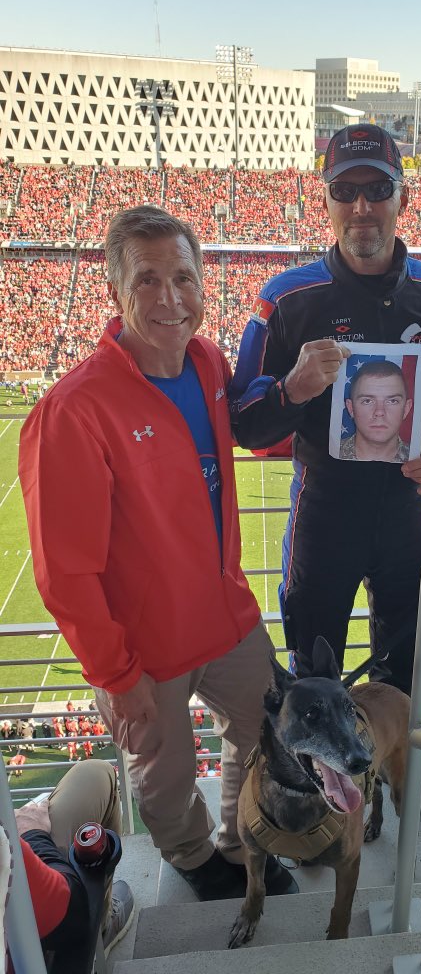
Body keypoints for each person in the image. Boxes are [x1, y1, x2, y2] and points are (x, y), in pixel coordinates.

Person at [19, 206, 296, 901]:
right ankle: (194, 858)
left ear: (202, 284)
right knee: (164, 773)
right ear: (116, 291)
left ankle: (241, 840)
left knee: (265, 723)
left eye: (183, 277)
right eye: (147, 279)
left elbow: (243, 441)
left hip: (224, 613)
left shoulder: (207, 362)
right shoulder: (74, 409)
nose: (170, 298)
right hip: (144, 642)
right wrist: (116, 674)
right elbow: (64, 571)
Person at [229, 124, 421, 816]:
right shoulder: (287, 299)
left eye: (377, 189)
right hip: (323, 512)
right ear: (323, 200)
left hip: (406, 514)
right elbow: (243, 420)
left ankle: (400, 775)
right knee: (314, 667)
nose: (361, 207)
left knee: (404, 661)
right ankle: (322, 788)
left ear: (403, 197)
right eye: (344, 190)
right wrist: (292, 388)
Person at [13, 758, 134, 962]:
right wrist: (32, 835)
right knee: (95, 772)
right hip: (34, 941)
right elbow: (68, 909)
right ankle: (100, 926)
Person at [339, 360, 412, 462]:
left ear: (406, 409)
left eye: (392, 401)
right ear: (351, 408)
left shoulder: (420, 461)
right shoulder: (326, 455)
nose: (379, 412)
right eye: (367, 401)